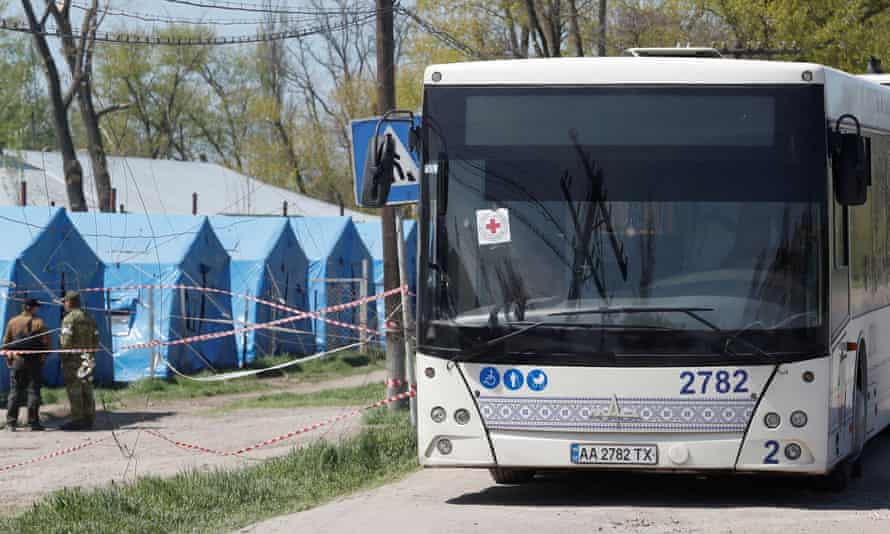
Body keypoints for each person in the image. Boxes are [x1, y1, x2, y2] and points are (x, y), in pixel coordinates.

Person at [4, 298, 51, 431]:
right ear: (32, 308)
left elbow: (6, 343)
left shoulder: (12, 322)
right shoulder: (39, 323)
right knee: (33, 391)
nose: (38, 309)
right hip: (34, 361)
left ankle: (11, 423)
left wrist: (9, 358)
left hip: (17, 360)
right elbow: (47, 342)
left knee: (15, 391)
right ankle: (33, 423)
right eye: (36, 307)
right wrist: (43, 357)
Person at [59, 291, 98, 431]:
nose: (64, 304)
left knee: (74, 389)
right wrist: (91, 354)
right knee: (87, 388)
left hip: (73, 360)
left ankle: (77, 419)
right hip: (87, 358)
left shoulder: (69, 319)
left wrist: (64, 357)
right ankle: (89, 418)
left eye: (65, 302)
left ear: (69, 302)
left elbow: (66, 341)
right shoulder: (89, 317)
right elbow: (96, 338)